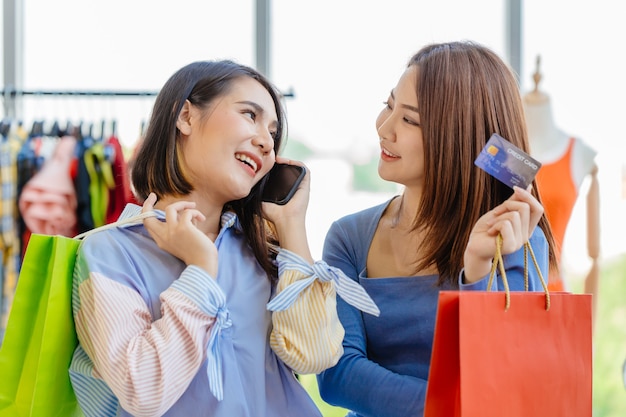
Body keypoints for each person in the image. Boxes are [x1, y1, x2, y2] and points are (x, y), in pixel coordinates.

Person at [68, 60, 378, 417]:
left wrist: (292, 224)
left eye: (273, 133)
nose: (266, 142)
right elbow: (143, 390)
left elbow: (314, 355)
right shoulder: (109, 252)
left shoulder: (264, 250)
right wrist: (201, 270)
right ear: (185, 116)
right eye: (250, 115)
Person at [316, 41, 558, 417]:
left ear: (458, 136)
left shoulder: (516, 241)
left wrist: (476, 274)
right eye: (388, 105)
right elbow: (337, 375)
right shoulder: (348, 238)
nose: (384, 128)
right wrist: (454, 405)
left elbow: (499, 375)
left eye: (409, 120)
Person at [522, 56, 601, 330]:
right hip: (501, 291)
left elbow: (595, 254)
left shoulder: (578, 154)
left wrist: (591, 328)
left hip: (553, 292)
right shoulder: (501, 153)